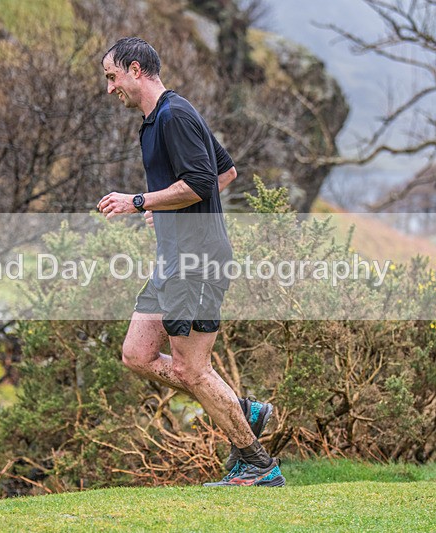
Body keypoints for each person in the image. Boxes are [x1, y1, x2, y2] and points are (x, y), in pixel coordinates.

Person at [96, 37, 285, 487]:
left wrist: (141, 202)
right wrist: (165, 207)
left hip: (198, 261)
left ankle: (257, 464)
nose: (109, 88)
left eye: (111, 77)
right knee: (137, 354)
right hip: (172, 259)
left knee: (190, 370)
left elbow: (203, 182)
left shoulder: (175, 116)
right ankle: (243, 410)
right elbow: (225, 171)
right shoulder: (157, 118)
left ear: (136, 69)